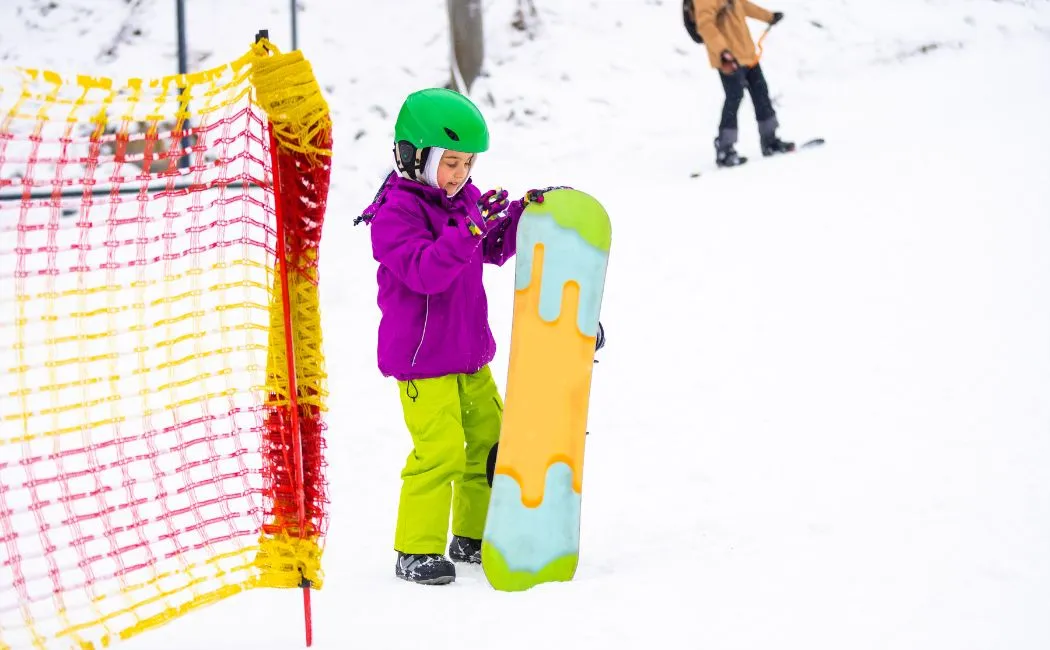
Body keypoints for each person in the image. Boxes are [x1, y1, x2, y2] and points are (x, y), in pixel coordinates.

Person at [357, 87, 556, 585]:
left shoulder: (461, 199)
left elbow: (485, 246)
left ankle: (472, 535)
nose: (460, 175)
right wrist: (468, 230)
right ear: (414, 155)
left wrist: (516, 220)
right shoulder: (394, 214)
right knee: (440, 451)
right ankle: (414, 548)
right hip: (423, 361)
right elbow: (426, 272)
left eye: (467, 164)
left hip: (468, 353)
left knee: (489, 444)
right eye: (450, 163)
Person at [692, 0, 795, 167]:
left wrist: (768, 16)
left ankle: (769, 140)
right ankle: (724, 149)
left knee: (761, 92)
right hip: (728, 58)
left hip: (747, 54)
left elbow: (744, 6)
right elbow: (705, 26)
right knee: (734, 96)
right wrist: (722, 51)